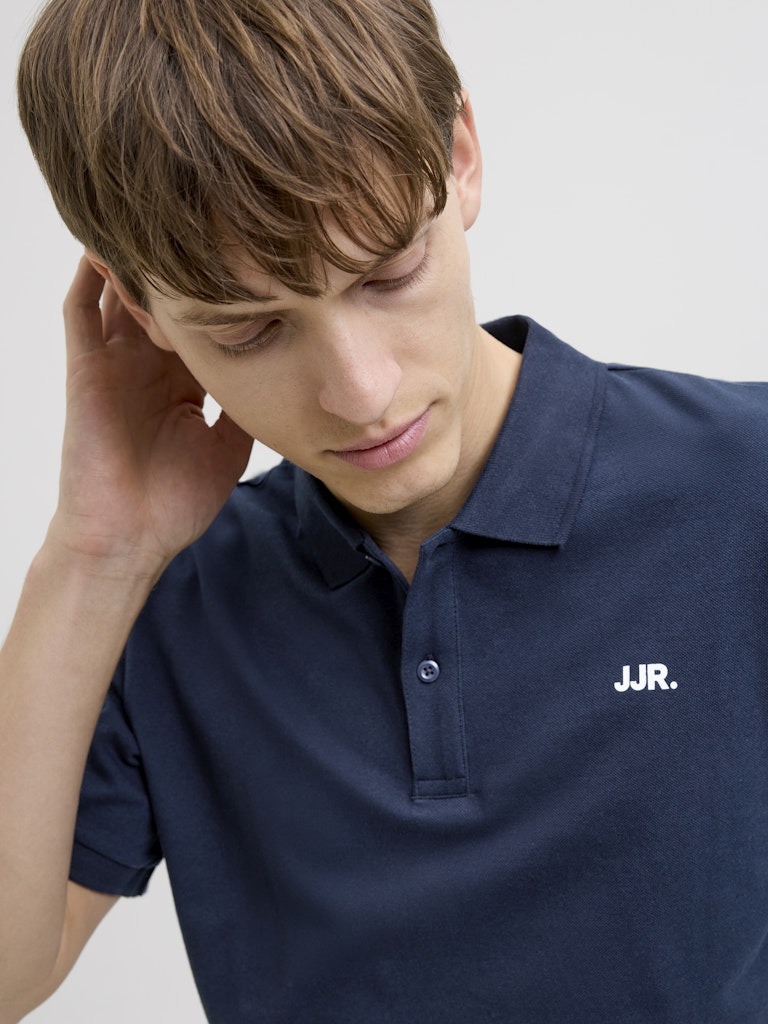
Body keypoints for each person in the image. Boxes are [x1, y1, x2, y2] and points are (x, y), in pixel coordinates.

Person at [2, 0, 768, 1022]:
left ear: (460, 155)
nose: (361, 393)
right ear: (142, 314)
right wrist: (93, 554)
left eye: (388, 273)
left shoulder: (746, 483)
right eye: (250, 331)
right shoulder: (154, 595)